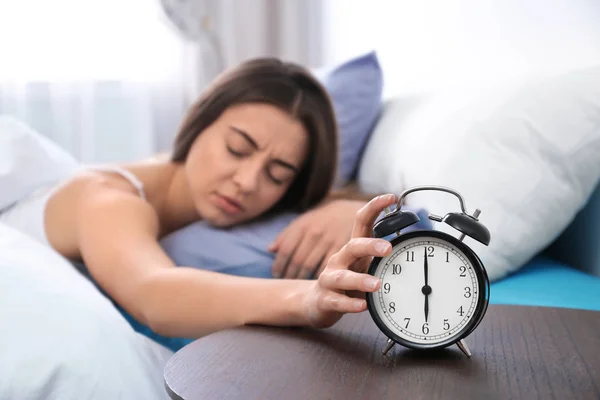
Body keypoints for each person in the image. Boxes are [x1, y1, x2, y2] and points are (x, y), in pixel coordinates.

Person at [0, 57, 394, 351]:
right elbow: (154, 293)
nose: (246, 182)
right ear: (199, 122)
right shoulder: (108, 199)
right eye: (237, 148)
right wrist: (308, 298)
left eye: (277, 174)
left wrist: (343, 211)